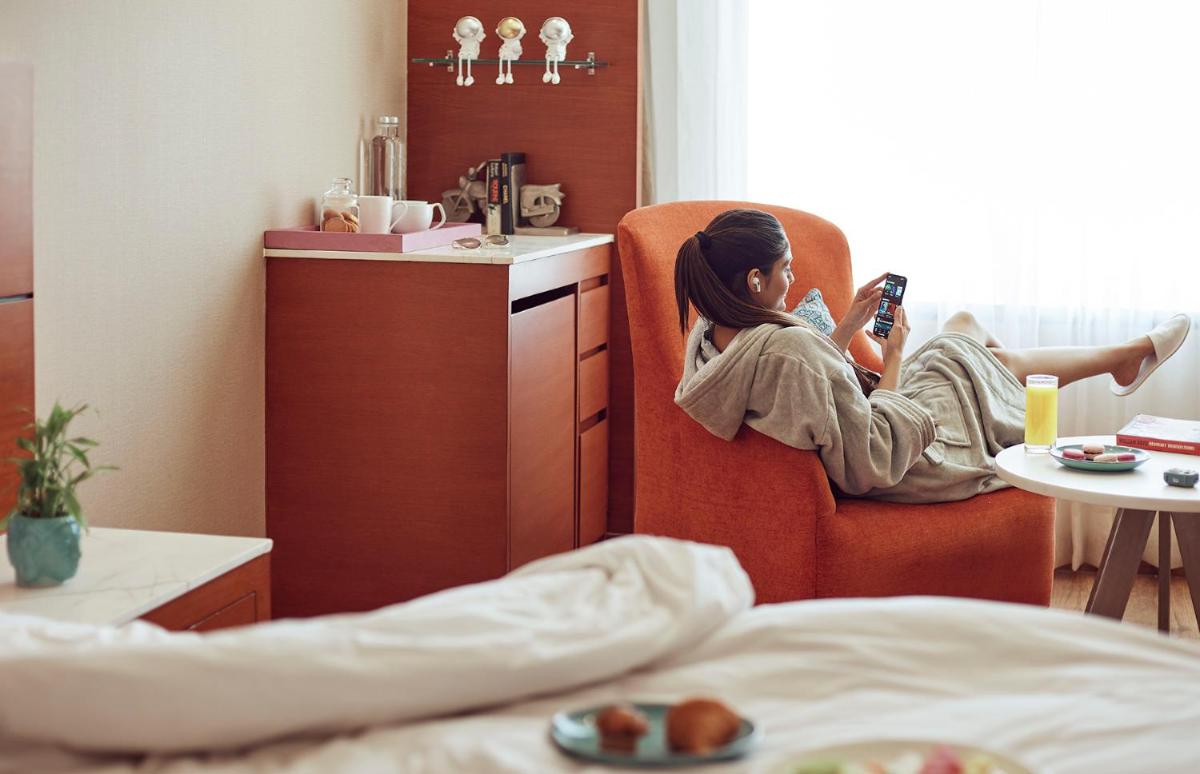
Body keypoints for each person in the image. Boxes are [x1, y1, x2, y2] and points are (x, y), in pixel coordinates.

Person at [673, 208, 1192, 503]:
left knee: (964, 329)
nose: (792, 278)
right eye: (786, 268)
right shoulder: (785, 351)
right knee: (966, 349)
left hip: (879, 419)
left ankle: (1110, 360)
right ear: (755, 279)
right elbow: (874, 455)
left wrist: (850, 323)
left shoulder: (715, 337)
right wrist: (894, 357)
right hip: (909, 457)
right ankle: (1124, 355)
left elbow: (811, 391)